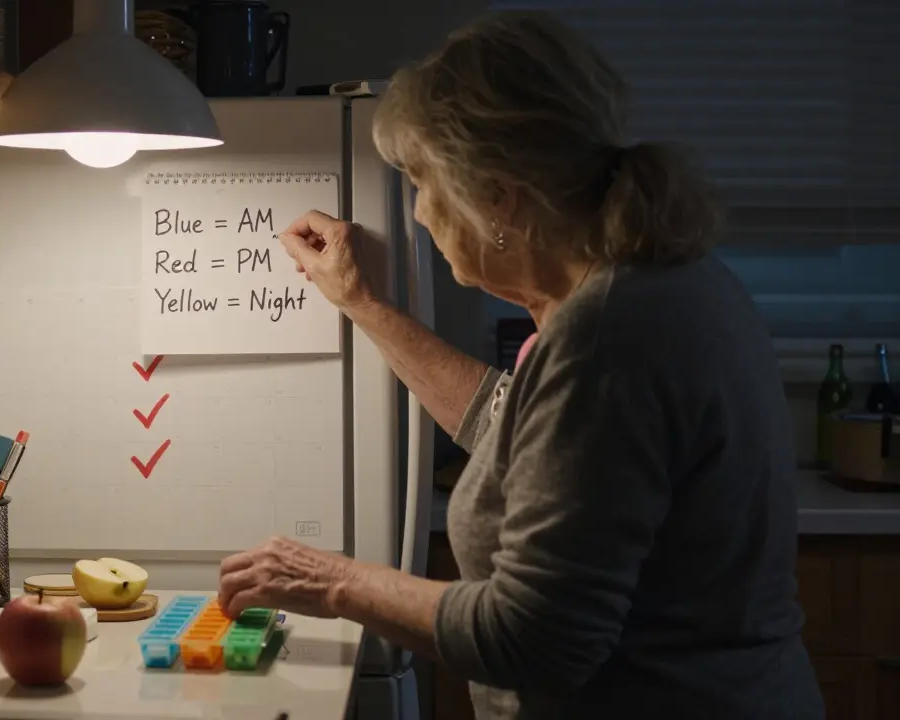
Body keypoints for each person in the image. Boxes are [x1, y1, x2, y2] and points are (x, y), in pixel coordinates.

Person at [217, 11, 822, 719]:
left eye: (421, 182)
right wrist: (365, 306)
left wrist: (332, 582)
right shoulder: (654, 285)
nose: (416, 212)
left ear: (497, 195)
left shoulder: (609, 335)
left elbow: (535, 637)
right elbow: (521, 429)